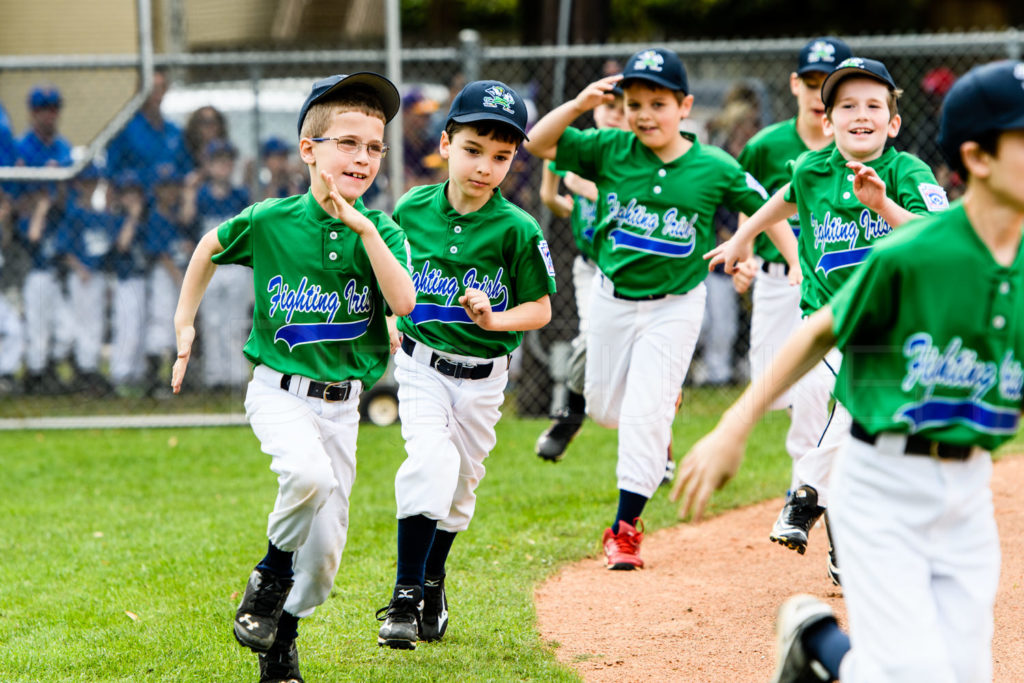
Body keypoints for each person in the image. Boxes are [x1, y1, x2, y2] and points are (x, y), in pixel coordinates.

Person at [672, 58, 1024, 683]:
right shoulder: (918, 247)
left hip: (967, 492)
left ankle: (816, 648)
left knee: (965, 674)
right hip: (883, 483)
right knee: (912, 675)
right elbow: (820, 329)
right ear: (979, 157)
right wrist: (734, 424)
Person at [172, 72, 413, 682]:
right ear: (309, 150)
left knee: (326, 565)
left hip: (344, 406)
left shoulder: (380, 231)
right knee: (305, 475)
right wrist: (185, 323)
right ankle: (268, 577)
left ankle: (282, 637)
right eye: (347, 143)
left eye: (374, 147)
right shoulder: (273, 220)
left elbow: (405, 301)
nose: (363, 157)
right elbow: (207, 246)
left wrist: (362, 229)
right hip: (279, 391)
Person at [523, 47, 776, 570]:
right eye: (634, 101)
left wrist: (787, 261)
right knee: (603, 409)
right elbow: (537, 143)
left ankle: (625, 529)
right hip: (612, 298)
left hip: (676, 306)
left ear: (684, 106)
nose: (643, 113)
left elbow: (772, 206)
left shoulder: (713, 166)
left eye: (657, 102)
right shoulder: (608, 148)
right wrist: (576, 105)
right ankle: (663, 411)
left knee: (643, 415)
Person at [704, 57, 949, 585]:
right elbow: (784, 201)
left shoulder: (908, 173)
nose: (860, 115)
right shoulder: (812, 168)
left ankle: (807, 498)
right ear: (827, 120)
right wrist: (745, 236)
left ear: (893, 122)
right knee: (841, 424)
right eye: (847, 106)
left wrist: (883, 206)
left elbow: (935, 240)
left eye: (873, 106)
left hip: (888, 326)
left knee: (859, 427)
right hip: (823, 323)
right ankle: (833, 526)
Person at [375, 79, 555, 650]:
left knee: (459, 490)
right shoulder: (411, 209)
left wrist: (495, 319)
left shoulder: (516, 228)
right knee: (428, 463)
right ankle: (404, 598)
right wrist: (389, 327)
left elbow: (542, 309)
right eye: (473, 149)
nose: (485, 166)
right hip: (422, 366)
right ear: (446, 142)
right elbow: (389, 278)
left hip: (483, 376)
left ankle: (433, 578)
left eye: (501, 156)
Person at [731, 37, 852, 569]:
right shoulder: (769, 145)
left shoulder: (866, 150)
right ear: (795, 85)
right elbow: (750, 200)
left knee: (822, 406)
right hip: (781, 282)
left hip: (841, 294)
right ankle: (810, 493)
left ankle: (821, 515)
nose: (816, 93)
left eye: (830, 86)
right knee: (778, 390)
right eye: (810, 81)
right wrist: (744, 251)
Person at [534, 80, 627, 462]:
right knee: (590, 339)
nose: (616, 117)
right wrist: (571, 207)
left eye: (625, 110)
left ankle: (662, 448)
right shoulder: (579, 147)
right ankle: (569, 419)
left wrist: (591, 193)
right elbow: (548, 196)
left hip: (634, 270)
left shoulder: (634, 155)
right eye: (610, 109)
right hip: (592, 267)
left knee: (644, 353)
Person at [183, 139, 253, 393]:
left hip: (235, 266)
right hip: (211, 266)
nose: (224, 166)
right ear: (208, 166)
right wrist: (190, 192)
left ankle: (235, 375)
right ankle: (216, 377)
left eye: (228, 161)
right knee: (212, 322)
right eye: (218, 161)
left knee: (235, 320)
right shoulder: (201, 195)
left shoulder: (240, 194)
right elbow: (187, 221)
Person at [56, 162, 117, 394]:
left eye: (95, 182)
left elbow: (109, 246)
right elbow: (64, 248)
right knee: (82, 324)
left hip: (98, 277)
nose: (91, 186)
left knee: (96, 323)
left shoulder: (101, 215)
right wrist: (79, 268)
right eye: (87, 182)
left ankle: (89, 368)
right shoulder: (75, 213)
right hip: (81, 277)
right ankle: (84, 369)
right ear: (79, 184)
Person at [142, 163, 193, 397]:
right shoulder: (156, 216)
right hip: (166, 276)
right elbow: (162, 253)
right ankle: (153, 380)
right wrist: (179, 278)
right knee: (162, 322)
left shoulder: (177, 215)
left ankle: (172, 380)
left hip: (179, 275)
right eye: (165, 188)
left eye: (174, 187)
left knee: (177, 325)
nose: (171, 192)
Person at [106, 170, 149, 395]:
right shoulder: (117, 220)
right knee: (127, 328)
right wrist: (132, 217)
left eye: (136, 194)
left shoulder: (147, 221)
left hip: (142, 280)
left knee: (141, 329)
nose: (132, 198)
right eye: (127, 194)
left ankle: (136, 374)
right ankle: (120, 374)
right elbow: (122, 244)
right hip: (124, 281)